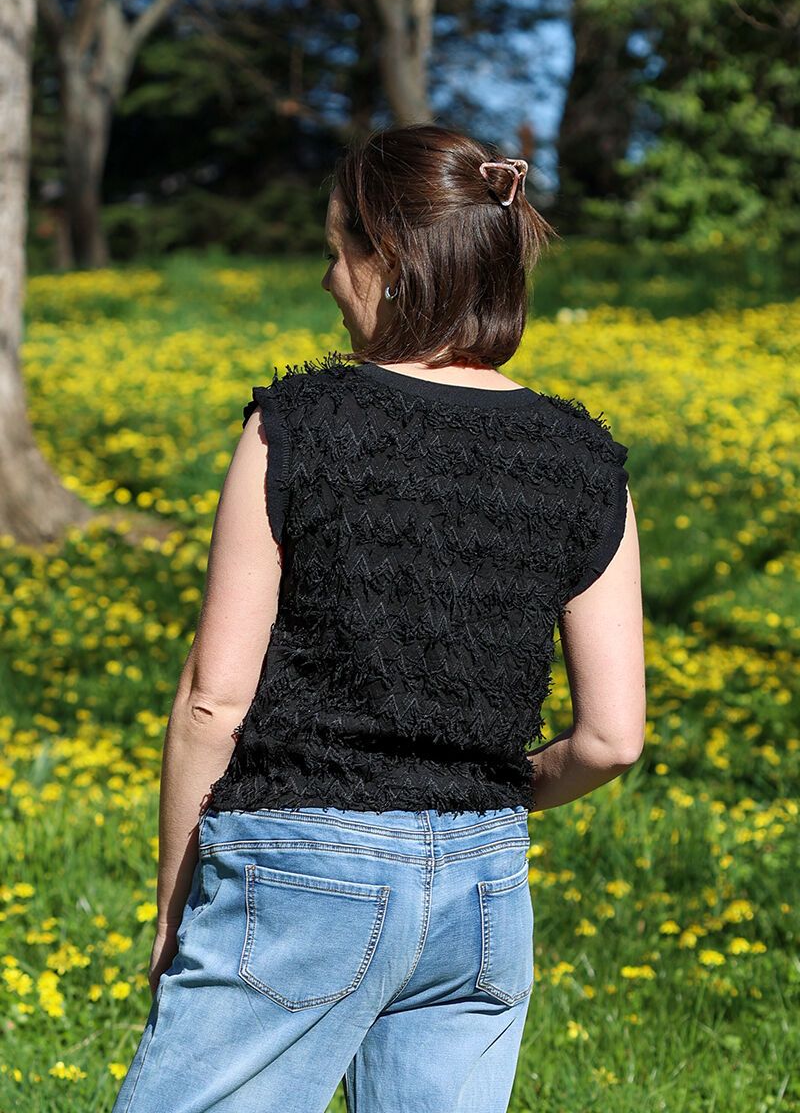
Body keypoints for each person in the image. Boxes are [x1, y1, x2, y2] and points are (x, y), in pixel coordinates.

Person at [110, 123, 646, 1113]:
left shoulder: (297, 424)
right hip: (483, 892)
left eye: (336, 250)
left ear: (390, 260)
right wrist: (478, 798)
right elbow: (612, 740)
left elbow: (212, 703)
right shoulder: (585, 459)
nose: (327, 278)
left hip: (302, 875)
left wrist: (174, 911)